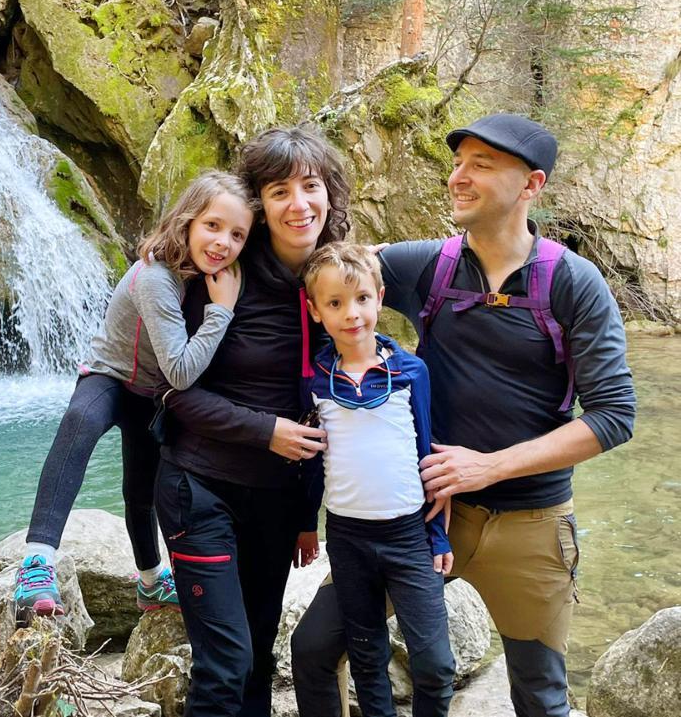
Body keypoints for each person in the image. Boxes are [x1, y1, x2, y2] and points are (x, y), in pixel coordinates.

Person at [291, 114, 636, 717]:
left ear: (531, 185)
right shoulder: (428, 267)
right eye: (458, 163)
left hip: (530, 525)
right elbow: (329, 273)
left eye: (481, 165)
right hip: (419, 515)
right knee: (316, 648)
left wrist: (489, 467)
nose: (459, 177)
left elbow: (613, 416)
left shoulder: (573, 285)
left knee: (540, 695)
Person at [154, 124, 352, 717]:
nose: (299, 204)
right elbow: (173, 395)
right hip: (201, 484)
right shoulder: (223, 275)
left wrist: (304, 517)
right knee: (225, 663)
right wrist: (266, 431)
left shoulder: (336, 279)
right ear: (260, 206)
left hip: (275, 498)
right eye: (279, 191)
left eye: (310, 187)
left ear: (329, 194)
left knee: (258, 656)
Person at [13, 170, 254, 622]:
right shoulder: (157, 277)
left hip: (150, 395)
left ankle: (149, 583)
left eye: (237, 234)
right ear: (186, 221)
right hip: (109, 379)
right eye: (213, 226)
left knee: (141, 490)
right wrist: (221, 312)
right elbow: (181, 371)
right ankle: (36, 562)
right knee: (79, 425)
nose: (223, 241)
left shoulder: (211, 274)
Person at [301, 241, 455, 717]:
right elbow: (308, 461)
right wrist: (308, 524)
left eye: (362, 299)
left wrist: (435, 535)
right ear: (315, 311)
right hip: (347, 538)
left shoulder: (411, 371)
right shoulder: (314, 379)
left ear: (380, 297)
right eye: (335, 304)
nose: (352, 314)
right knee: (367, 659)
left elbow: (426, 451)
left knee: (434, 663)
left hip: (409, 535)